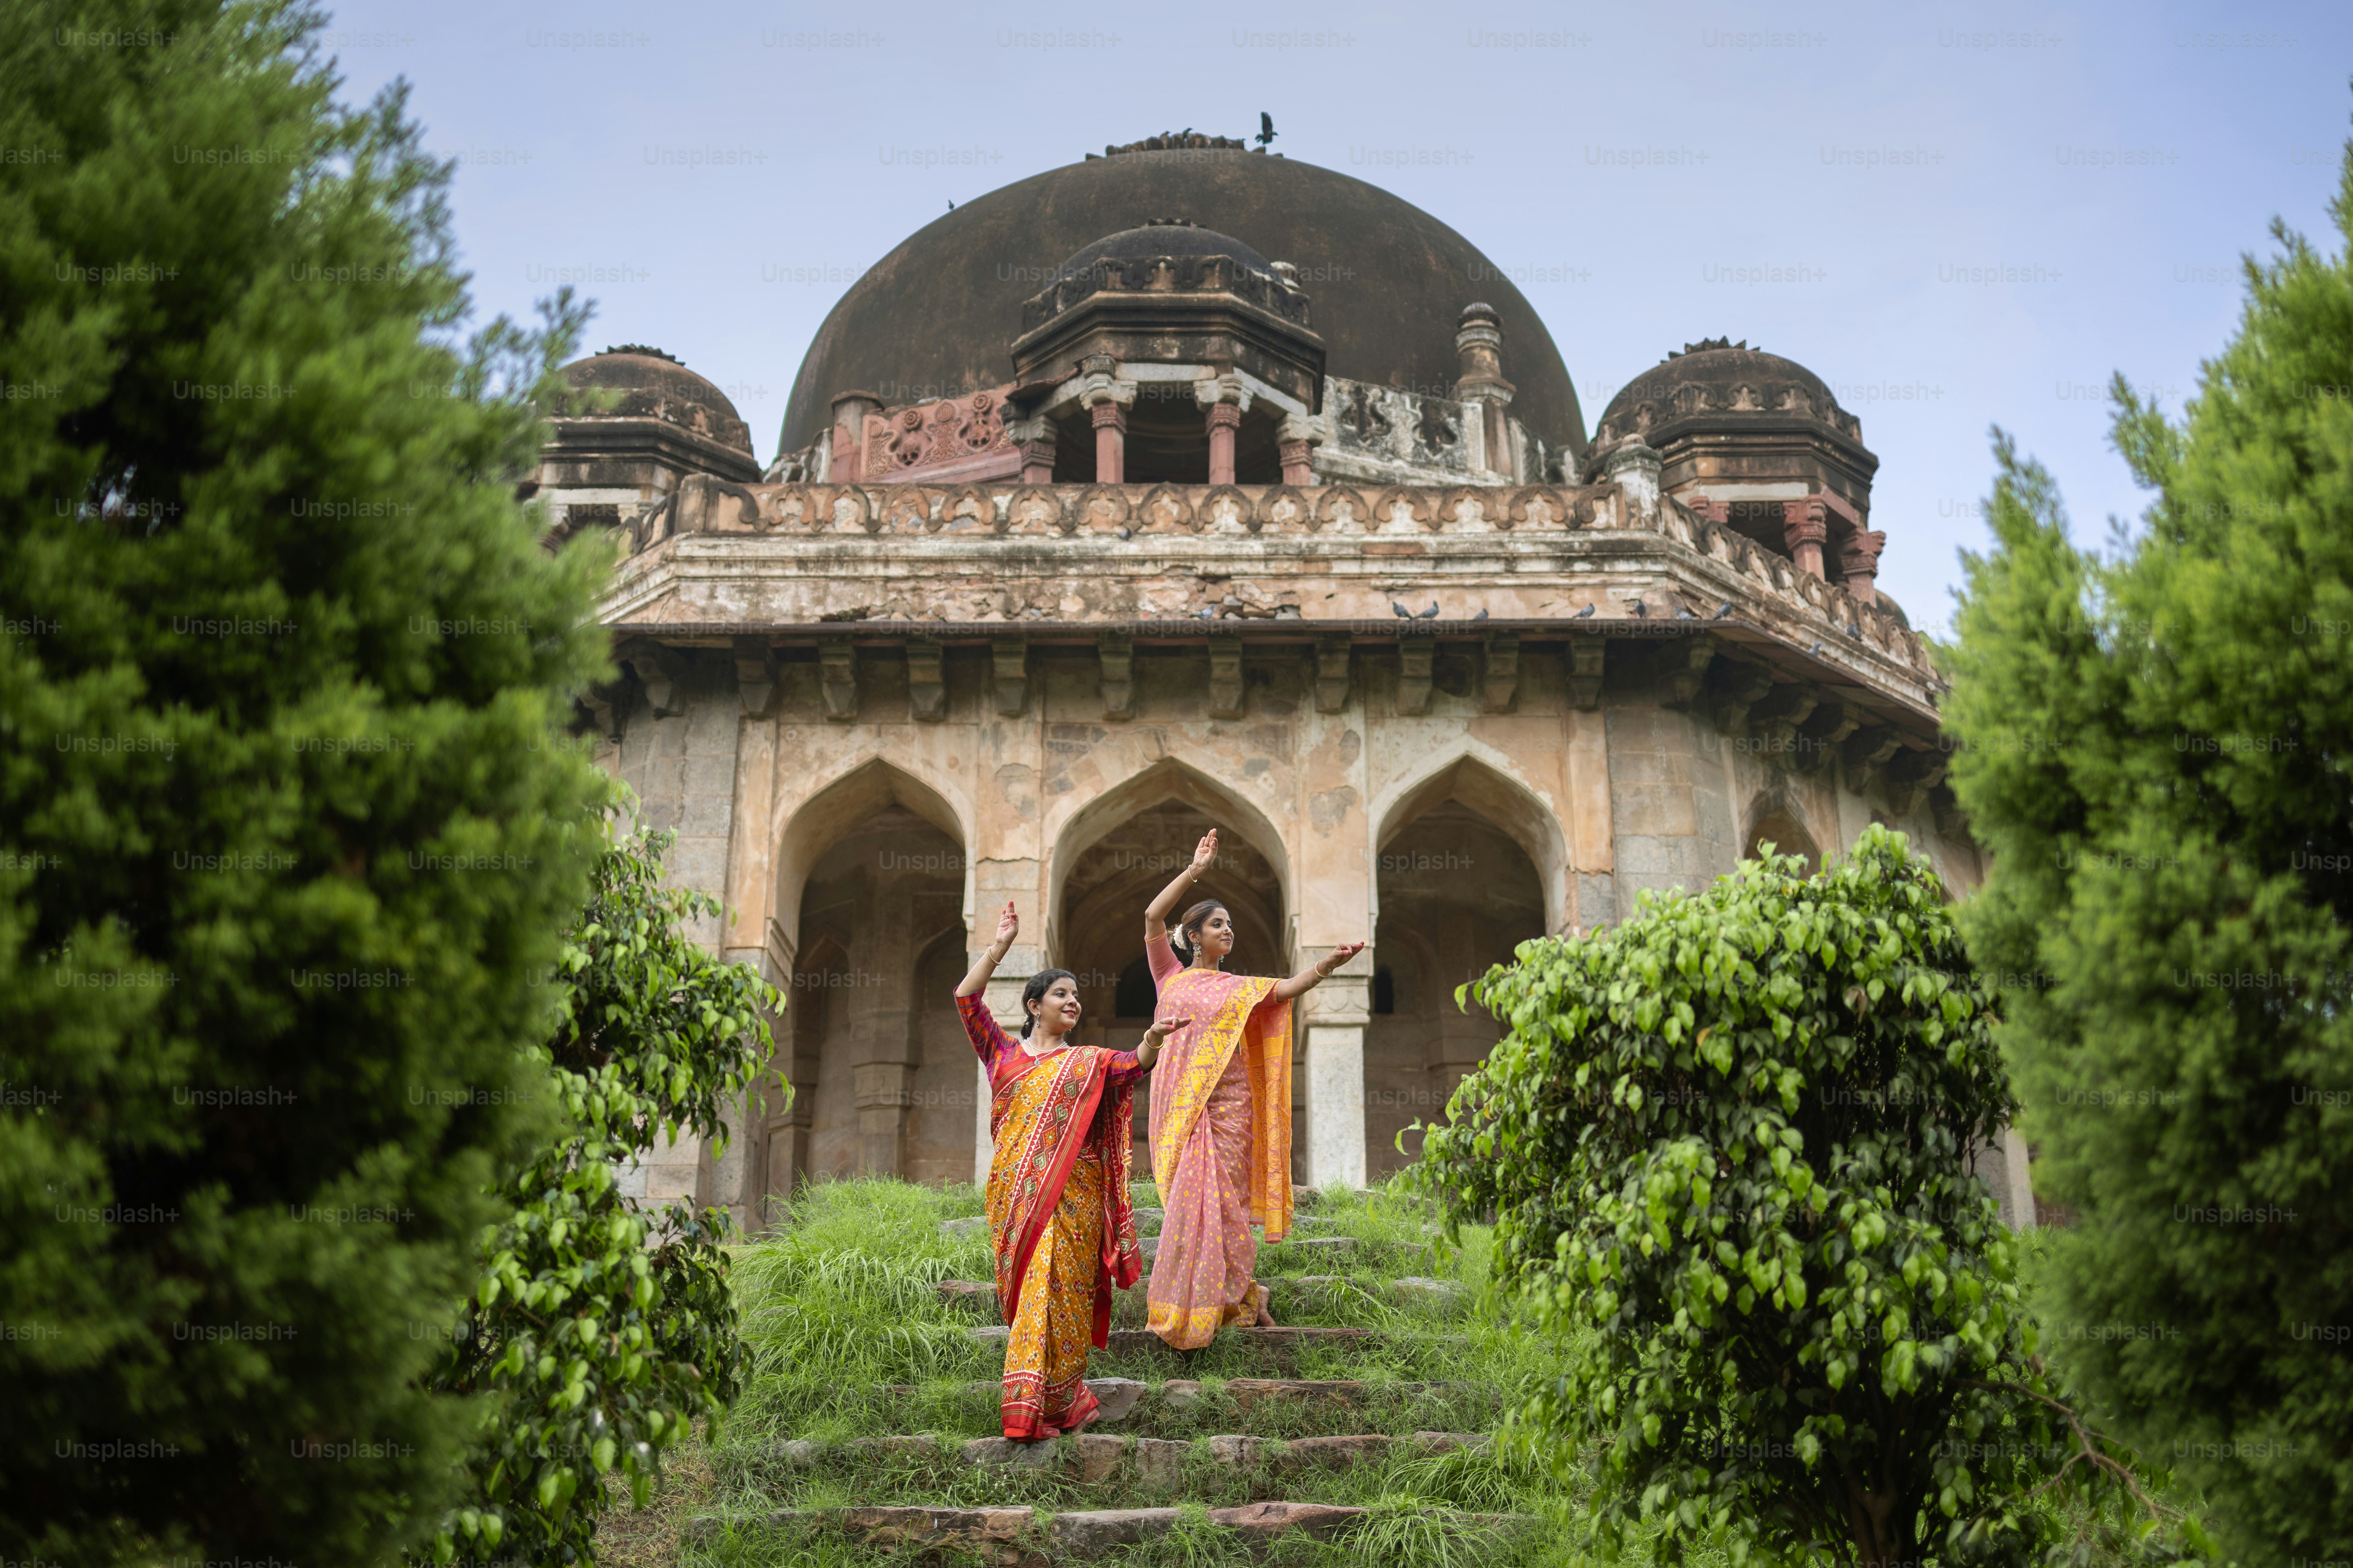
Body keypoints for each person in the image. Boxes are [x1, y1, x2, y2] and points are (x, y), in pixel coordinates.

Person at [956, 898, 1189, 1441]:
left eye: (1078, 997)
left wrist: (1153, 1039)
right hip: (1020, 1198)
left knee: (1066, 1297)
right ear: (1034, 1005)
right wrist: (999, 948)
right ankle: (1028, 1403)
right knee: (1036, 1285)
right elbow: (966, 998)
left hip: (1078, 1197)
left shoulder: (1088, 1061)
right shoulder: (1004, 1056)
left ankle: (1060, 1399)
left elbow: (1134, 1066)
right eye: (1062, 994)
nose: (1074, 1003)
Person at [1140, 829, 1364, 1349]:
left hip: (1232, 1110)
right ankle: (1226, 1299)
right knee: (1185, 1203)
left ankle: (1238, 1292)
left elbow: (1283, 991)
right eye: (1218, 924)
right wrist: (1196, 871)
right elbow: (1154, 917)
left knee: (1228, 1206)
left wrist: (1327, 967)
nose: (1229, 931)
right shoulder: (1168, 976)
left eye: (1231, 925)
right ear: (1194, 935)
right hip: (1180, 1114)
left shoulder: (1239, 989)